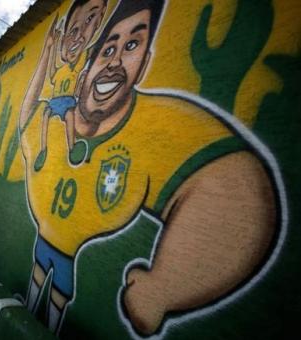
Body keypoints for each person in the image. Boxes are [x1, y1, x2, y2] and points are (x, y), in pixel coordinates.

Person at [19, 0, 279, 335]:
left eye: (131, 46)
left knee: (57, 296)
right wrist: (47, 53)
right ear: (84, 75)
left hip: (68, 256)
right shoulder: (50, 123)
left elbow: (233, 184)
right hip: (48, 244)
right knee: (40, 283)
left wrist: (163, 287)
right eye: (107, 49)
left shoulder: (155, 126)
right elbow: (26, 112)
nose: (113, 61)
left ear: (144, 67)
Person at [34, 0, 107, 171]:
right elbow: (51, 71)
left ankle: (72, 147)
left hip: (67, 102)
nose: (74, 43)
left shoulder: (77, 66)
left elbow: (88, 49)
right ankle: (43, 149)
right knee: (45, 115)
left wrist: (100, 31)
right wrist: (51, 47)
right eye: (71, 33)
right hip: (54, 102)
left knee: (69, 116)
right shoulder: (61, 69)